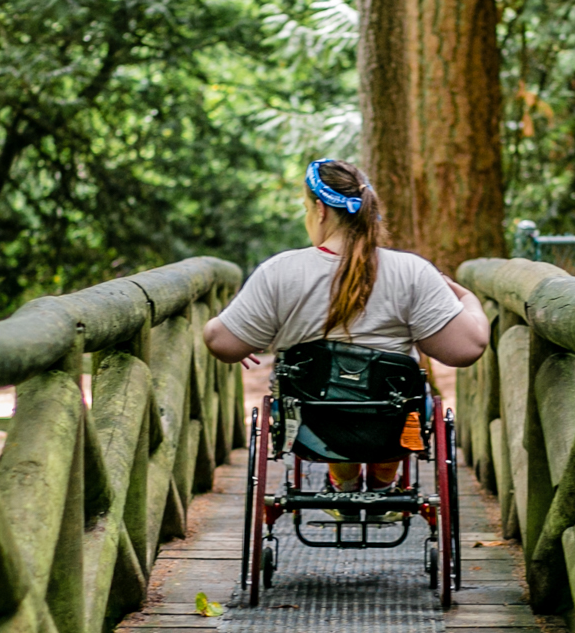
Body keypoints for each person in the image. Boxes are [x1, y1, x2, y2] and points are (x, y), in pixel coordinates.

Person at [204, 158, 490, 491]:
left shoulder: (280, 271)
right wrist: (469, 299)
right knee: (404, 396)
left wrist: (243, 334)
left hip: (312, 428)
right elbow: (468, 349)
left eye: (306, 207)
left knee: (327, 395)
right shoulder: (412, 272)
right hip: (390, 425)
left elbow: (220, 342)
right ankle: (384, 480)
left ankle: (345, 480)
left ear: (321, 209)